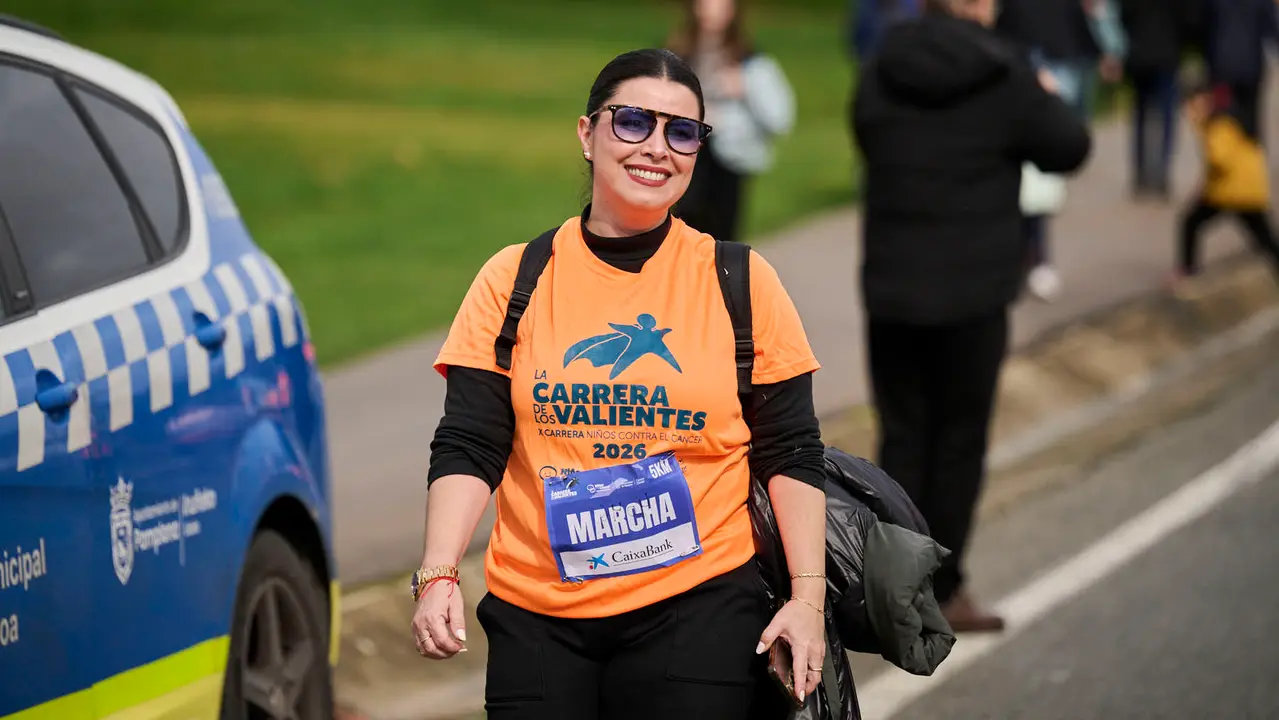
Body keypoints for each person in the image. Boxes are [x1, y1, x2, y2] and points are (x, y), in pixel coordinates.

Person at [411, 48, 829, 719]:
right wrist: (436, 574)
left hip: (698, 602)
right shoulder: (513, 279)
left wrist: (806, 601)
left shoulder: (740, 282)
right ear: (587, 134)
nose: (657, 147)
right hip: (537, 611)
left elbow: (792, 451)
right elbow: (469, 441)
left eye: (682, 131)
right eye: (633, 122)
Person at [852, 0, 1092, 632]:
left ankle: (889, 594)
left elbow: (866, 133)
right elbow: (1070, 145)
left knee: (901, 438)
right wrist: (1044, 94)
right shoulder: (1005, 73)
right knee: (958, 443)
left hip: (894, 285)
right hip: (972, 290)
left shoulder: (884, 65)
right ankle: (942, 589)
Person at [997, 0, 1120, 302]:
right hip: (1046, 73)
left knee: (1034, 178)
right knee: (1035, 178)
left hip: (1041, 75)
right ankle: (1035, 261)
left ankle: (1033, 260)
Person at [667, 0, 795, 245]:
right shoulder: (678, 53)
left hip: (729, 157)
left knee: (721, 234)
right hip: (686, 150)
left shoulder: (750, 61)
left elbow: (780, 119)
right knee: (682, 227)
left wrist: (746, 87)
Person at [1171, 67, 1279, 294]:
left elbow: (1220, 159)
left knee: (1190, 223)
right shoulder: (1228, 115)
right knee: (1265, 238)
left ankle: (1187, 271)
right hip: (1251, 190)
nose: (1188, 109)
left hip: (1232, 191)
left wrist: (1206, 186)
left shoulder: (1218, 124)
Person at [1119, 0, 1196, 199]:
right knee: (1167, 118)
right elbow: (1189, 19)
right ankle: (1162, 172)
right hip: (1167, 56)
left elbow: (1124, 15)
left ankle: (1140, 175)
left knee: (1141, 117)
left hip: (1140, 56)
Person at [1197, 0, 1279, 145]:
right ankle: (1247, 159)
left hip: (1221, 66)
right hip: (1250, 67)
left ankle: (1226, 159)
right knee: (1249, 122)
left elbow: (1203, 25)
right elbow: (1272, 29)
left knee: (1223, 120)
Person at [847, 0, 923, 61]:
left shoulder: (911, 6)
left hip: (902, 63)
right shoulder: (867, 6)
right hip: (874, 63)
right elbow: (857, 38)